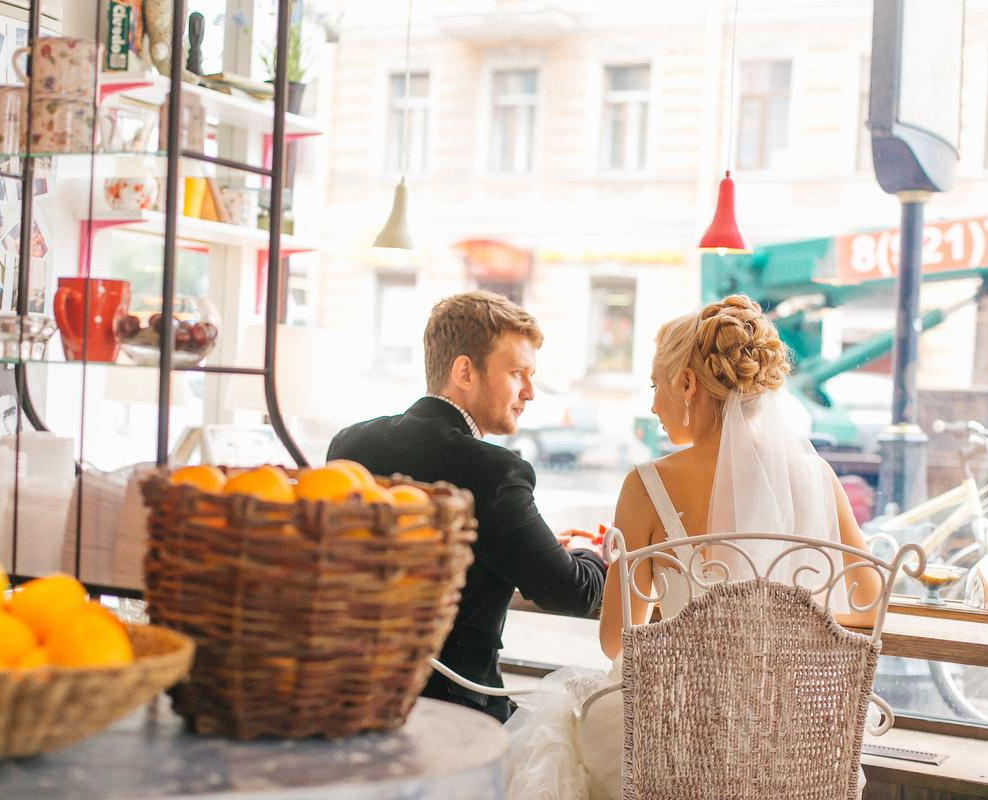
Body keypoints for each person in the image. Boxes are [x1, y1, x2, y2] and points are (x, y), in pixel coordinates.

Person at [504, 295, 882, 800]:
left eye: (656, 385)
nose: (653, 404)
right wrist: (781, 631)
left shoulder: (647, 485)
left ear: (686, 384)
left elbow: (619, 641)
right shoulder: (817, 476)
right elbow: (870, 605)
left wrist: (697, 631)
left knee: (557, 731)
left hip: (678, 745)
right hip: (790, 745)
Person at [327, 290, 607, 723]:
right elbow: (570, 592)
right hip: (457, 709)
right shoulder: (495, 471)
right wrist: (600, 557)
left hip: (350, 694)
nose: (530, 392)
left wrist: (539, 546)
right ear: (464, 371)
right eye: (518, 373)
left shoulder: (350, 443)